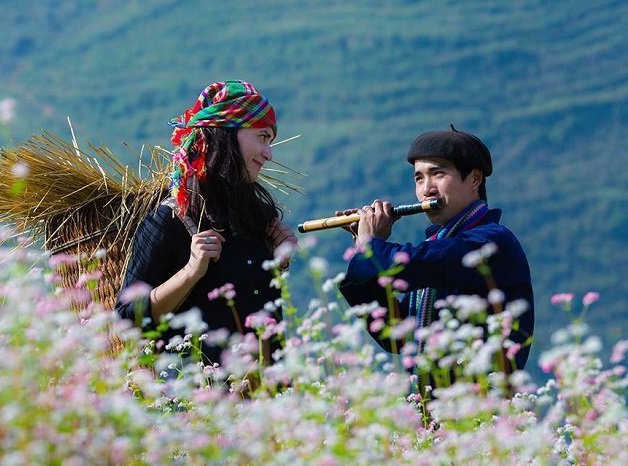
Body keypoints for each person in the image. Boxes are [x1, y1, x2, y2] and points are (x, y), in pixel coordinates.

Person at [115, 80, 297, 365]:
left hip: (265, 392)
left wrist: (278, 260)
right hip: (201, 396)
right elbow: (127, 318)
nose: (268, 154)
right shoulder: (170, 220)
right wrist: (191, 271)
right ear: (228, 133)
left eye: (270, 141)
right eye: (262, 137)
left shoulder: (257, 217)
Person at [338, 125, 534, 371]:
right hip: (432, 403)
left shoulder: (492, 241)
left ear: (474, 179)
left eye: (438, 174)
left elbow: (419, 262)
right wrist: (363, 252)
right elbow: (396, 336)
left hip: (482, 401)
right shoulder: (439, 246)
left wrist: (372, 247)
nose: (426, 189)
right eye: (419, 178)